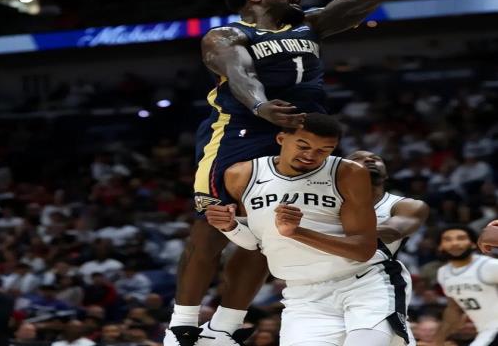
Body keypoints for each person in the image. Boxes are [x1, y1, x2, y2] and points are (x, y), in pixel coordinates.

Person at [164, 0, 404, 346]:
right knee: (213, 225)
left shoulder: (311, 24)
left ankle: (223, 328)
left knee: (268, 235)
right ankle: (181, 323)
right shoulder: (226, 35)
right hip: (242, 130)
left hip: (298, 135)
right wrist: (261, 107)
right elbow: (240, 74)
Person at [206, 113, 413, 346]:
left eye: (324, 150)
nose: (311, 156)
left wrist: (297, 233)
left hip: (364, 283)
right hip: (302, 293)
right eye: (303, 146)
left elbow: (363, 249)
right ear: (281, 138)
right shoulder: (241, 175)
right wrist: (230, 227)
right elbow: (257, 243)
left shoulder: (348, 173)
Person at [347, 150, 430, 346]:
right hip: (329, 282)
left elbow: (393, 231)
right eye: (357, 159)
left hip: (377, 280)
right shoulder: (328, 204)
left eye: (376, 159)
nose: (369, 160)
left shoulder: (405, 205)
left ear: (386, 175)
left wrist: (323, 232)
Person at [434, 225, 498, 346]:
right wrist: (438, 341)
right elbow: (454, 308)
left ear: (473, 243)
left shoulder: (490, 266)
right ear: (440, 246)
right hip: (486, 332)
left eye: (461, 238)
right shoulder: (443, 273)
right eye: (448, 239)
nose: (454, 243)